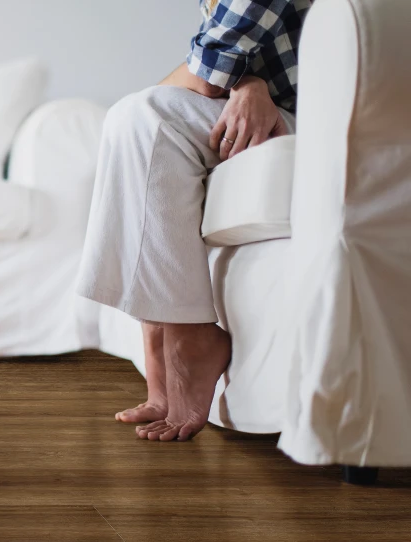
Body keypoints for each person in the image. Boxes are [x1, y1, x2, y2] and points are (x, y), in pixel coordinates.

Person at [76, 0, 313, 441]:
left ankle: (187, 337)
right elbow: (212, 71)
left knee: (146, 116)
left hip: (328, 123)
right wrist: (246, 82)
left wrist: (238, 80)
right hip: (283, 111)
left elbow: (206, 75)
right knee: (134, 119)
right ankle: (157, 330)